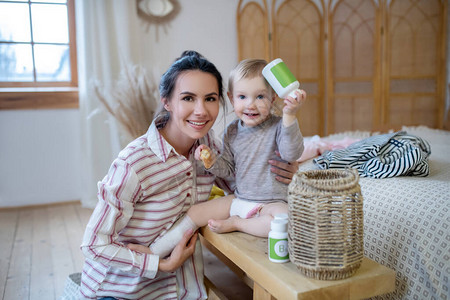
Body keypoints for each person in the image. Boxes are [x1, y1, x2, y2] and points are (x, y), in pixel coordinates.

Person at [79, 51, 299, 300]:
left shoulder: (209, 146)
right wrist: (159, 264)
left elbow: (243, 188)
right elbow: (93, 245)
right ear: (167, 102)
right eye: (188, 98)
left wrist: (287, 171)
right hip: (120, 290)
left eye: (210, 98)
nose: (201, 110)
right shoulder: (133, 163)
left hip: (181, 289)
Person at [150, 58, 306, 258]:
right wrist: (211, 161)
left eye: (260, 97)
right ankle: (154, 253)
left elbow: (291, 153)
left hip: (271, 204)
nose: (251, 105)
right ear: (232, 99)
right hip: (240, 199)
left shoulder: (279, 126)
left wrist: (290, 116)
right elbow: (228, 169)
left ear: (273, 98)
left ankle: (237, 224)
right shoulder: (231, 132)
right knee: (196, 213)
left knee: (286, 221)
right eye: (242, 97)